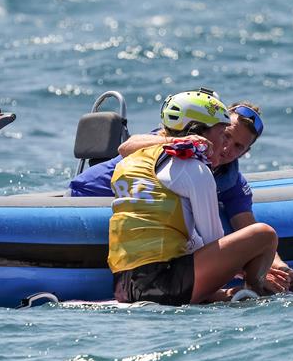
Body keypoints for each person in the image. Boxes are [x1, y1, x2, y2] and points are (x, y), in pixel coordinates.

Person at [69, 94, 293, 292]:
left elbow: (246, 225)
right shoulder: (176, 148)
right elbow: (126, 146)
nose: (228, 147)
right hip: (91, 194)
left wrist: (281, 268)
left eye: (238, 146)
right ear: (214, 127)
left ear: (246, 152)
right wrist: (179, 142)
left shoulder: (230, 181)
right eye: (226, 136)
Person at [109, 89, 277, 304]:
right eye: (221, 134)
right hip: (164, 283)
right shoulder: (193, 169)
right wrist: (244, 264)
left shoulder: (134, 159)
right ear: (200, 132)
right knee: (265, 235)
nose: (224, 146)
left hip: (123, 285)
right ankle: (258, 289)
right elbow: (213, 240)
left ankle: (224, 296)